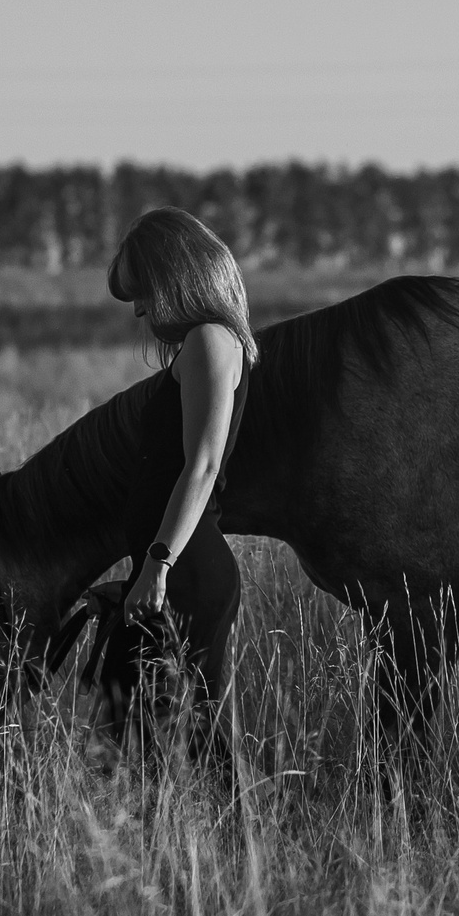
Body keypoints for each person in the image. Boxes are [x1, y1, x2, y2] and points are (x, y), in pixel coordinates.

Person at [106, 207, 256, 621]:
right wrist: (140, 573)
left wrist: (157, 567)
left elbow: (204, 466)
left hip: (180, 572)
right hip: (165, 569)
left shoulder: (210, 340)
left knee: (165, 689)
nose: (139, 310)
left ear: (175, 279)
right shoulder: (200, 344)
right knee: (118, 689)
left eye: (143, 292)